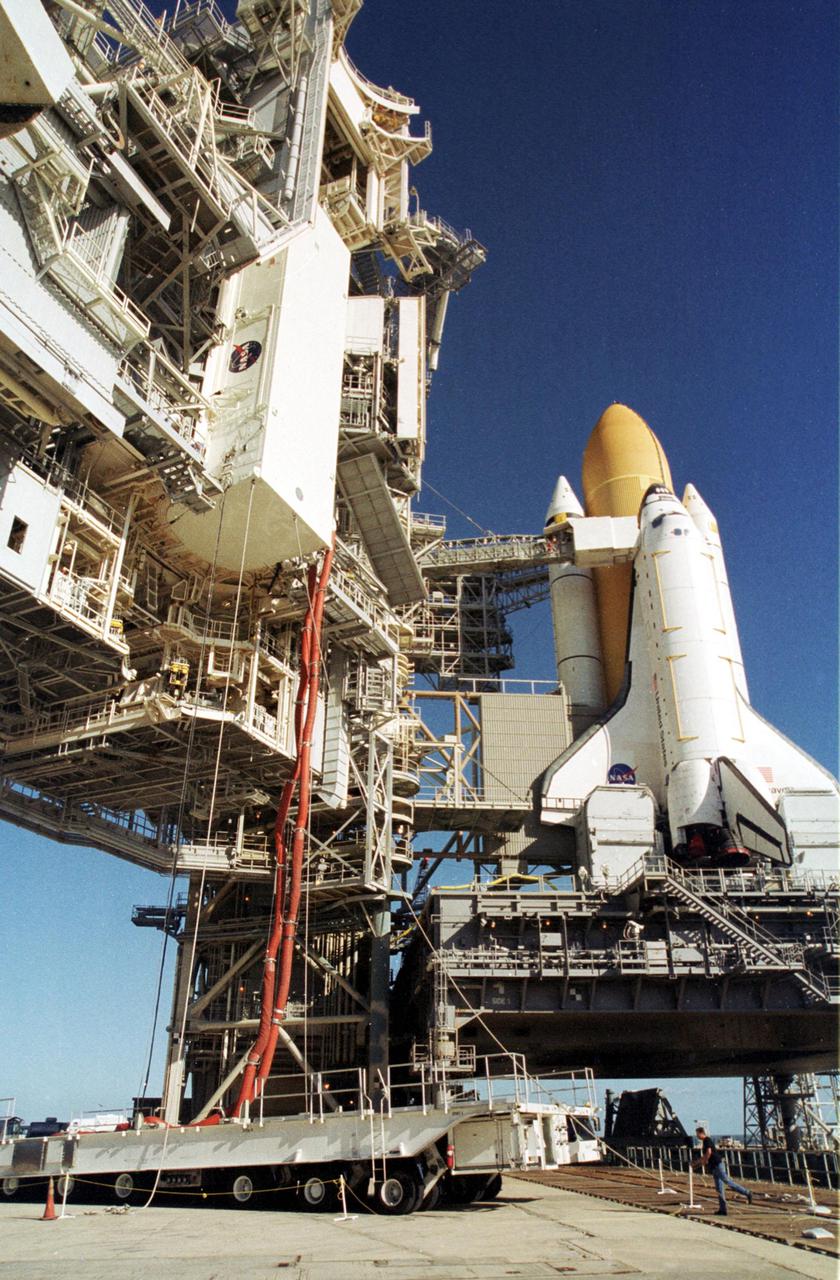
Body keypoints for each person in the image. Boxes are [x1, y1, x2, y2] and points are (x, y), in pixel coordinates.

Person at [692, 1126, 752, 1215]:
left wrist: (704, 1161)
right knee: (719, 1189)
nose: (696, 1136)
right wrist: (696, 1163)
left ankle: (747, 1192)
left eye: (697, 1134)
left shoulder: (707, 1140)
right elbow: (705, 1155)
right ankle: (723, 1209)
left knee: (727, 1181)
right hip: (714, 1167)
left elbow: (708, 1152)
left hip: (717, 1165)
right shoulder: (705, 1141)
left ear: (701, 1133)